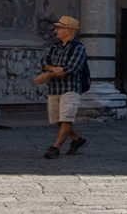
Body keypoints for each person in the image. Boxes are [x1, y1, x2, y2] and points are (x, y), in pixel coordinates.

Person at [33, 15, 88, 159]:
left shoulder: (78, 48)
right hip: (55, 89)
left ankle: (55, 147)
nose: (56, 30)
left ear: (68, 30)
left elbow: (71, 69)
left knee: (66, 119)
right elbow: (44, 62)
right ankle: (77, 140)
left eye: (59, 28)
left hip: (70, 88)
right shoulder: (55, 46)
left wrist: (48, 75)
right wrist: (53, 68)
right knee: (58, 119)